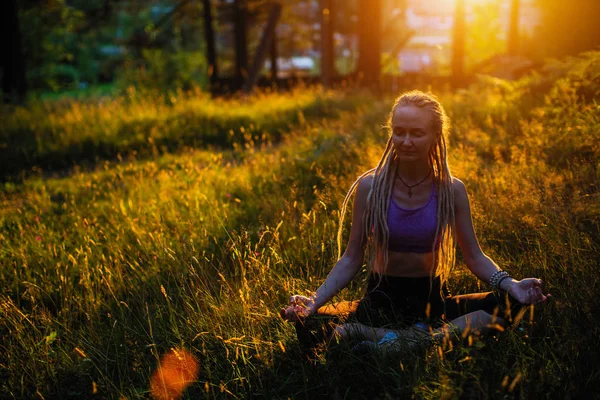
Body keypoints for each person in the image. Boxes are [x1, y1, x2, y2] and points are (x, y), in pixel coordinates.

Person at [280, 90, 551, 352]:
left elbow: (475, 257)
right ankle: (421, 338)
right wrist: (313, 302)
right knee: (307, 323)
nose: (406, 140)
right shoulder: (371, 187)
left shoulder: (451, 190)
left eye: (416, 133)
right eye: (399, 131)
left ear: (436, 135)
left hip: (431, 300)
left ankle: (392, 339)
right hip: (380, 298)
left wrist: (512, 284)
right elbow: (352, 257)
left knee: (516, 303)